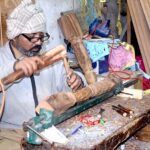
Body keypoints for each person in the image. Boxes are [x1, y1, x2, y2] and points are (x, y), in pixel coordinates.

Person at [0, 0, 86, 130]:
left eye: (41, 36)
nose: (39, 43)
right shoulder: (2, 58)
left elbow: (66, 86)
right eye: (32, 37)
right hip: (13, 132)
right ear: (14, 36)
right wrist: (13, 69)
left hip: (50, 127)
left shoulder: (47, 57)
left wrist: (78, 81)